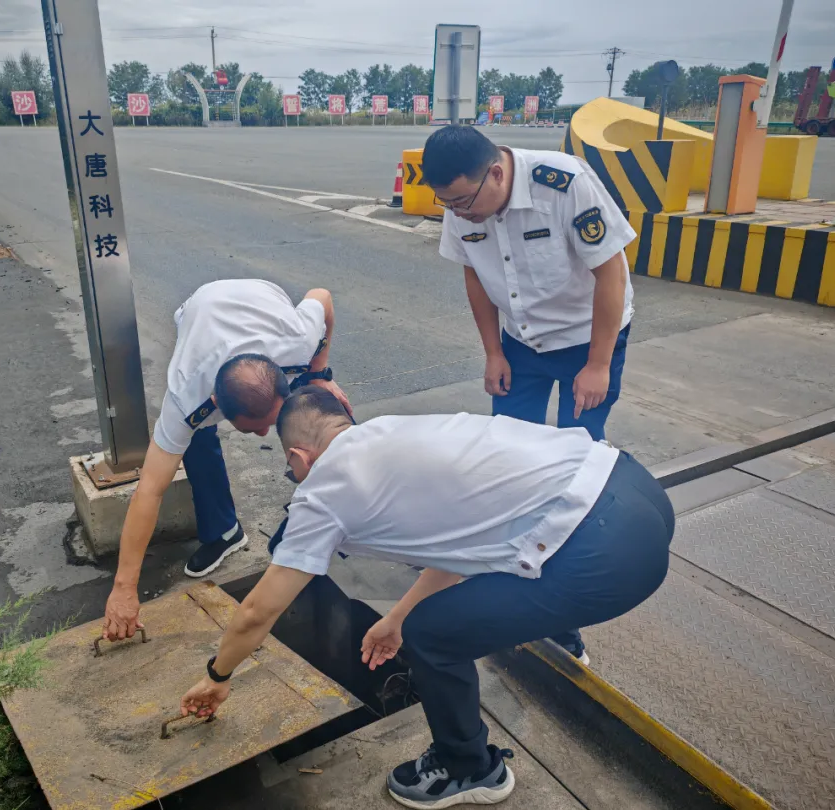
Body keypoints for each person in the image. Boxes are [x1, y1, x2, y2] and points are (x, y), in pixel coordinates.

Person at [179, 387, 675, 809]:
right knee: (445, 605)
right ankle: (565, 642)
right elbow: (464, 545)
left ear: (298, 458)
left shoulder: (325, 490)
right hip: (633, 486)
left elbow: (258, 611)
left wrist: (217, 677)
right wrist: (395, 617)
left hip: (607, 555)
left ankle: (471, 769)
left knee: (433, 635)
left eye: (294, 474)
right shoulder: (393, 433)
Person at [421, 124, 638, 664]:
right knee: (507, 458)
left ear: (496, 171)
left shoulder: (564, 185)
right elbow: (474, 275)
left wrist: (597, 365)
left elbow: (611, 274)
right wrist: (493, 352)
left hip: (588, 337)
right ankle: (500, 579)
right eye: (445, 203)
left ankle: (564, 617)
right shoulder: (461, 199)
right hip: (521, 341)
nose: (457, 212)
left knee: (573, 467)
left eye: (463, 201)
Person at [102, 279, 351, 643]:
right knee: (193, 440)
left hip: (264, 303)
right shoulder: (187, 395)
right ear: (217, 404)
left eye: (270, 424)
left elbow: (322, 296)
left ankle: (340, 514)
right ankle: (223, 531)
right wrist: (124, 587)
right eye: (255, 430)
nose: (268, 437)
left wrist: (318, 372)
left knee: (326, 409)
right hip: (202, 307)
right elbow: (149, 492)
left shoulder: (298, 339)